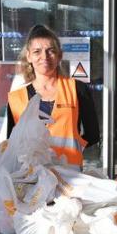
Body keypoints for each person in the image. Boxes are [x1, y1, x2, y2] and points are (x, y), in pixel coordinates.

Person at [7, 24, 99, 166]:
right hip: (30, 177)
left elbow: (93, 135)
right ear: (29, 56)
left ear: (59, 55)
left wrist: (75, 148)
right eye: (37, 51)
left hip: (68, 175)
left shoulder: (77, 89)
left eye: (50, 51)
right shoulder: (15, 98)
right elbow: (12, 142)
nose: (44, 57)